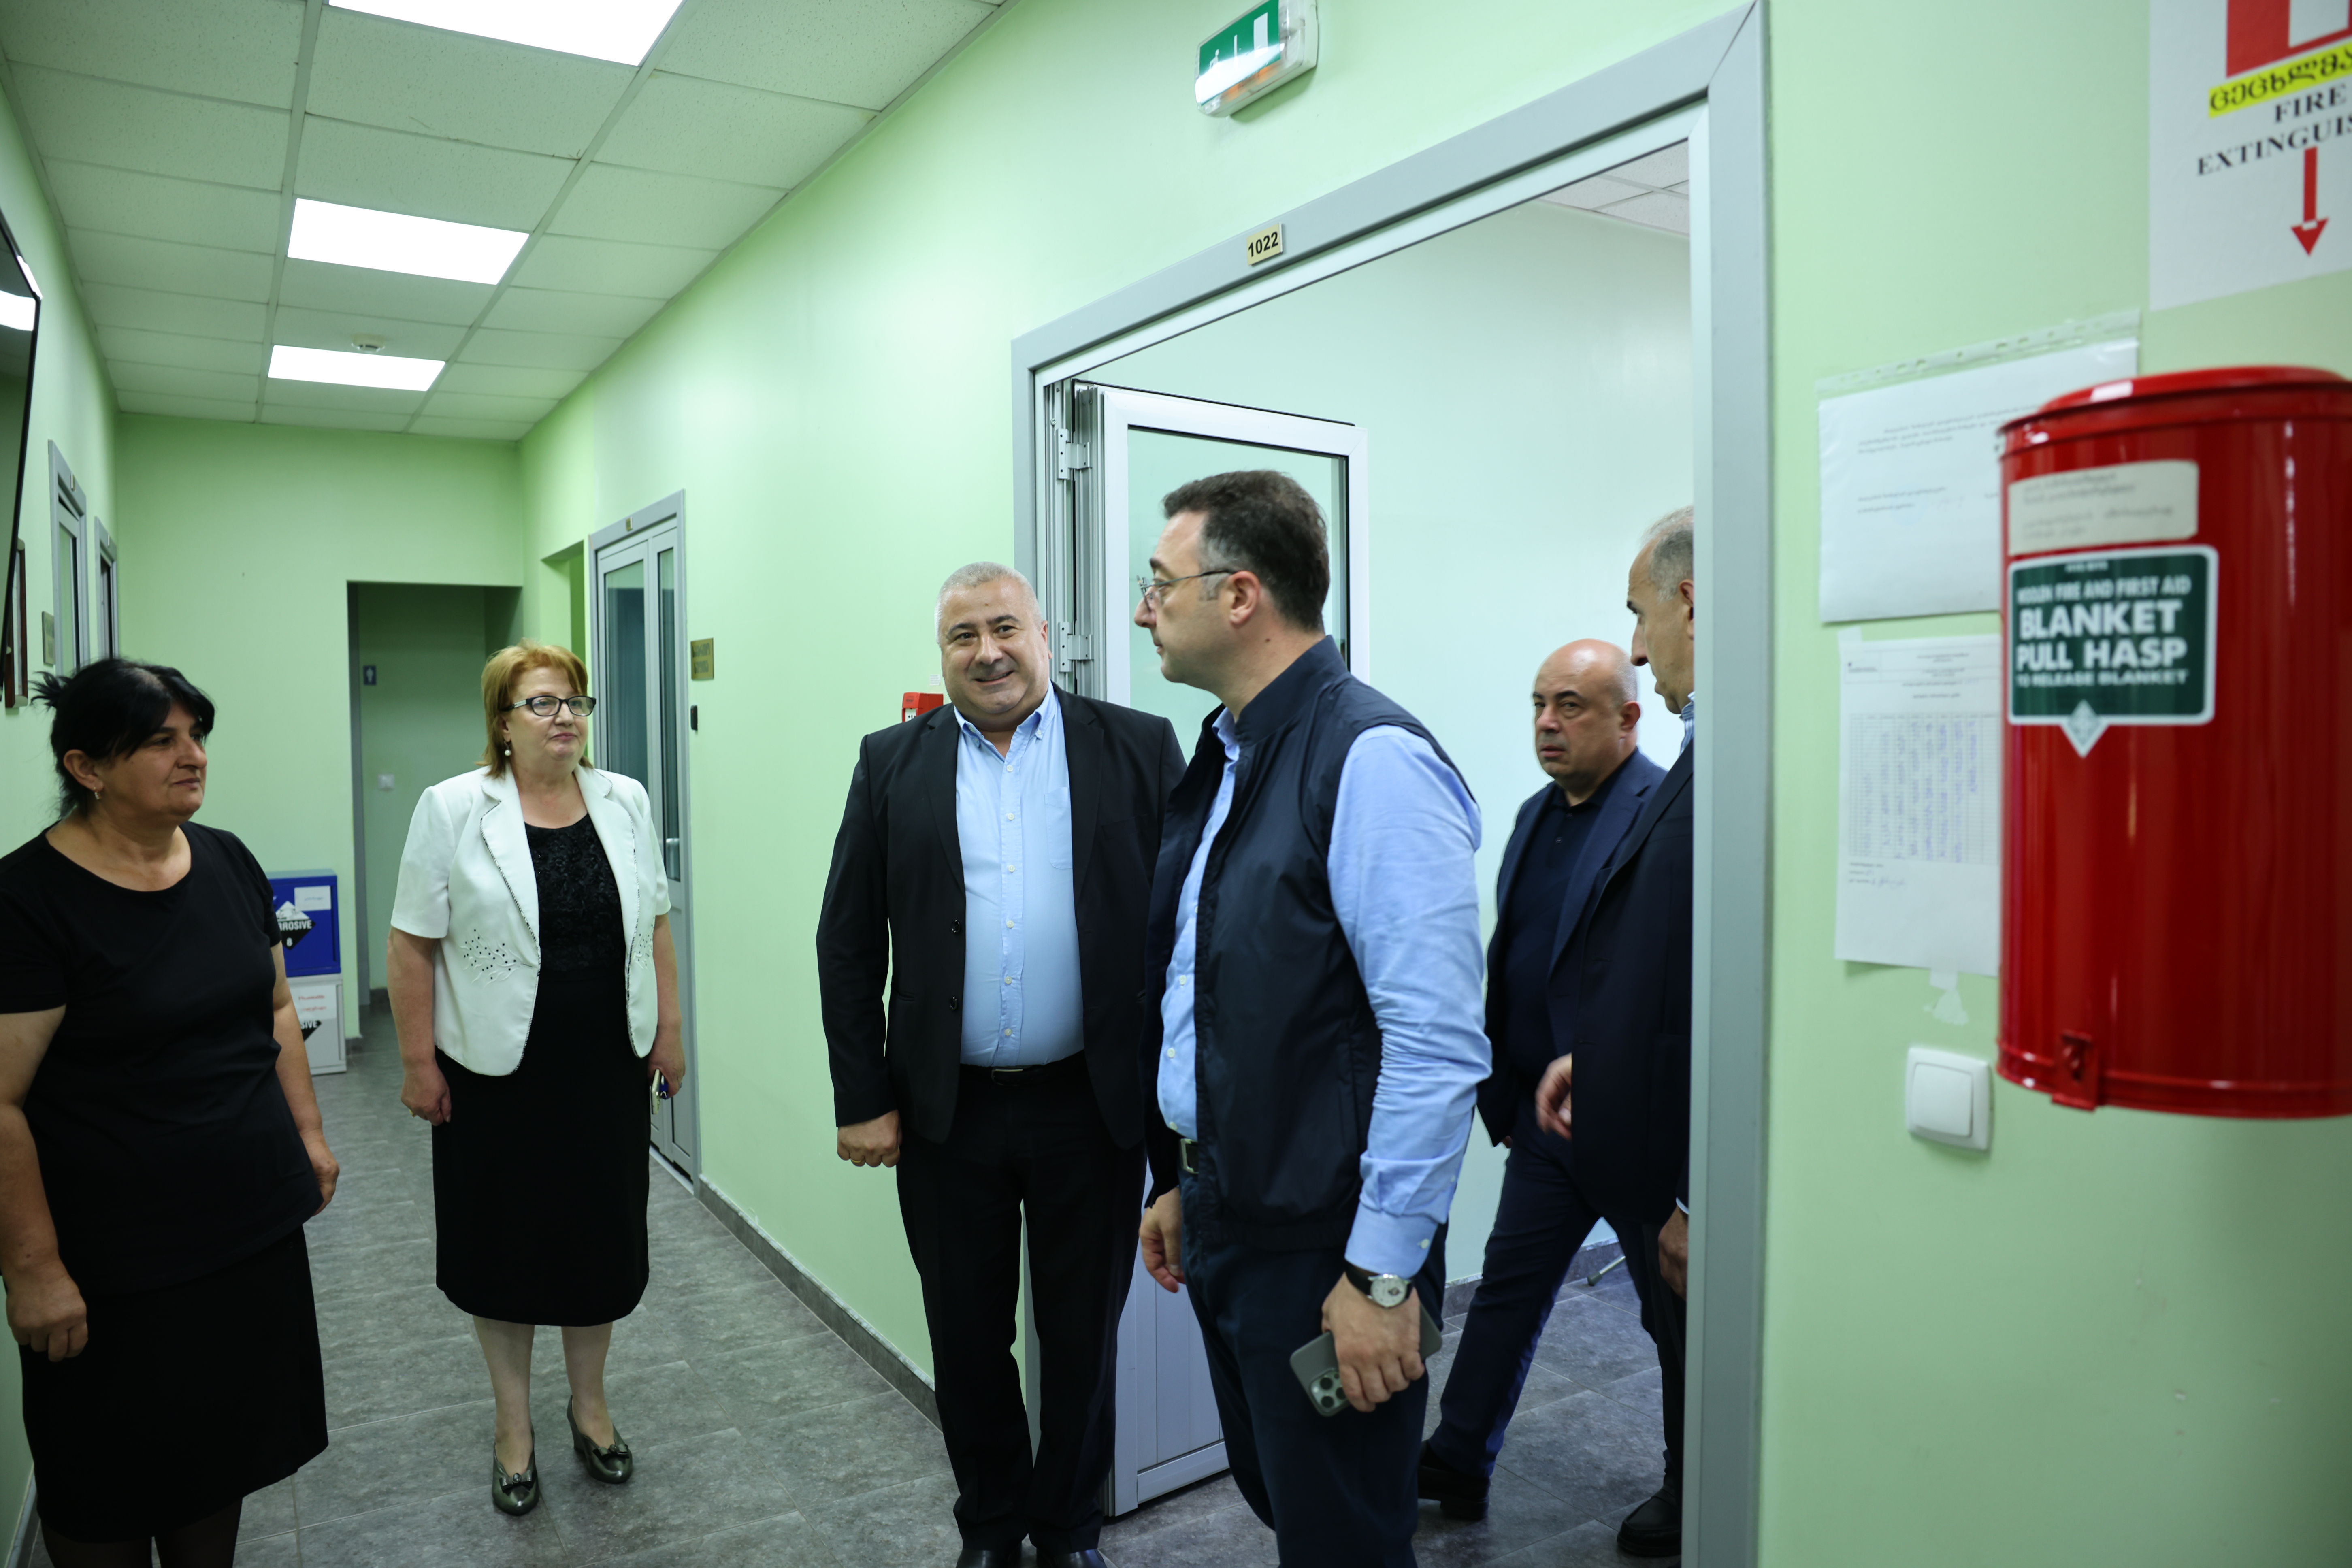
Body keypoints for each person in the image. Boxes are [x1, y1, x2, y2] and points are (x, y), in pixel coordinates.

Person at [1132, 471, 1488, 1568]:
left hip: (1330, 1247)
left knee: (1344, 1535)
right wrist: (1182, 1178)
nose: (1144, 609)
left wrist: (1382, 1277)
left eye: (1160, 583)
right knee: (1289, 1501)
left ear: (1239, 595)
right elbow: (1214, 996)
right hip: (1235, 1212)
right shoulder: (1231, 754)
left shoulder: (1371, 759)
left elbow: (1435, 1045)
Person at [816, 563, 1184, 1568]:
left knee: (1082, 1337)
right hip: (948, 1111)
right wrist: (862, 1096)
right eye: (963, 636)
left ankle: (1068, 1530)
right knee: (967, 1335)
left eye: (1005, 628)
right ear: (941, 653)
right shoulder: (891, 761)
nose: (987, 653)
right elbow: (847, 940)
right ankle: (990, 1526)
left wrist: (1181, 1130)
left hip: (1092, 1105)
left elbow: (1183, 935)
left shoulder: (1138, 747)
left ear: (1045, 635)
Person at [0, 658, 338, 1568]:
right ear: (87, 767)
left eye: (197, 736)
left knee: (217, 1460)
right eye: (161, 741)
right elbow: (1, 1101)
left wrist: (307, 1135)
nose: (194, 756)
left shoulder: (226, 859)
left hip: (244, 1234)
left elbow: (276, 1007)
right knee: (104, 1485)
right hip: (112, 1262)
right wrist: (33, 1268)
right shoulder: (27, 901)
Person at [386, 640, 683, 1517]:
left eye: (576, 702)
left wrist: (670, 1031)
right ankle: (512, 1426)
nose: (566, 719)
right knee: (503, 1245)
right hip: (494, 1068)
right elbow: (411, 944)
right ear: (502, 722)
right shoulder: (453, 807)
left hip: (605, 1062)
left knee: (600, 1240)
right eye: (544, 704)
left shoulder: (624, 798)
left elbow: (656, 924)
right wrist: (417, 1061)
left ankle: (590, 1407)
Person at [1416, 640, 1667, 1528]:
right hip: (1542, 1120)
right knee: (1507, 1290)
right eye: (1538, 705)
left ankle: (1691, 1486)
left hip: (1632, 1122)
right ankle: (1459, 1458)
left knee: (1670, 1315)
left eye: (1571, 705)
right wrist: (1505, 1089)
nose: (1548, 723)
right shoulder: (1533, 813)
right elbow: (1516, 956)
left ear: (1628, 717)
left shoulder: (1660, 814)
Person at [1530, 507, 1698, 1556]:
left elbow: (1731, 994)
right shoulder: (1700, 759)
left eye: (1641, 615)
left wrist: (1695, 1199)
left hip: (1678, 1164)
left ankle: (1701, 1495)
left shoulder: (1722, 766)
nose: (1639, 644)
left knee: (1690, 1337)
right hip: (1606, 1118)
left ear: (1692, 602)